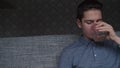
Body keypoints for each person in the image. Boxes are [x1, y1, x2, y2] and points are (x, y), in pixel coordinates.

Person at [58, 0, 120, 68]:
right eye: (89, 22)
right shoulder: (69, 52)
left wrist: (115, 38)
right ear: (79, 23)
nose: (95, 27)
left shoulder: (115, 44)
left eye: (98, 21)